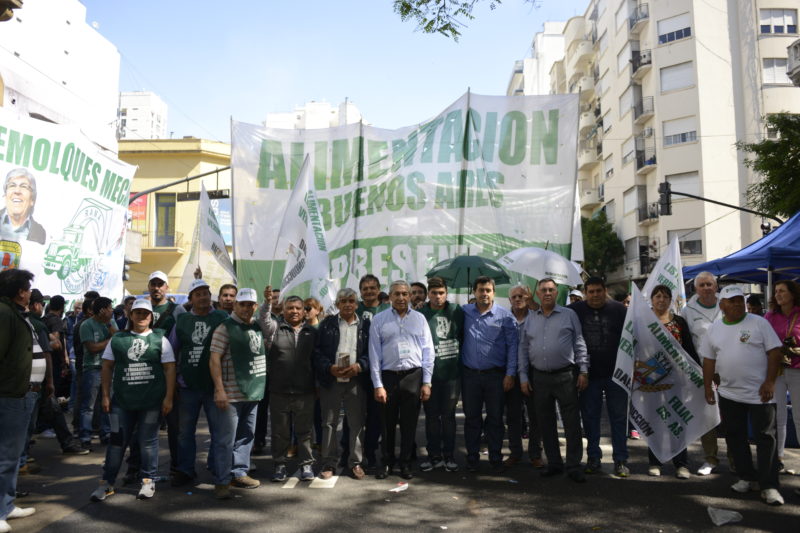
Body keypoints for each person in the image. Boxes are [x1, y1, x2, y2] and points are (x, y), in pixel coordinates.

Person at [701, 286, 784, 506]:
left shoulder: (759, 323)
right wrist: (707, 387)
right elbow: (709, 360)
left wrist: (770, 381)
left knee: (766, 438)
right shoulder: (715, 328)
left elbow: (775, 352)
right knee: (735, 436)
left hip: (760, 394)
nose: (737, 304)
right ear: (722, 305)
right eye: (732, 300)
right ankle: (746, 477)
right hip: (729, 393)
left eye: (740, 300)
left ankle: (769, 485)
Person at [89, 299, 176, 502]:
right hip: (122, 402)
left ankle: (148, 480)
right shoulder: (118, 339)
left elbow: (170, 368)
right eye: (138, 313)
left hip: (151, 401)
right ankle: (107, 483)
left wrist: (168, 397)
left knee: (148, 442)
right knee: (117, 442)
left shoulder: (160, 339)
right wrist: (105, 395)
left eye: (146, 313)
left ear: (151, 317)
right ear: (131, 315)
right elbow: (107, 366)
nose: (142, 317)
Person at [519, 278, 588, 483]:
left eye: (551, 290)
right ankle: (555, 463)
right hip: (539, 377)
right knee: (545, 423)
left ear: (557, 293)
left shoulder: (569, 314)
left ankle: (574, 465)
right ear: (537, 295)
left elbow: (579, 342)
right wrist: (523, 376)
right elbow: (523, 350)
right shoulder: (530, 319)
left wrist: (584, 370)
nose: (547, 293)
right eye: (543, 290)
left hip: (566, 376)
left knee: (571, 423)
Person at [369, 280, 434, 480]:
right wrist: (378, 384)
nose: (401, 298)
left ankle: (406, 463)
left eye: (405, 294)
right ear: (389, 296)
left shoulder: (420, 319)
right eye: (396, 294)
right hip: (388, 378)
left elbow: (428, 351)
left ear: (410, 296)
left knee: (409, 424)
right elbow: (374, 354)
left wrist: (426, 381)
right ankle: (386, 462)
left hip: (413, 376)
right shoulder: (379, 320)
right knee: (387, 424)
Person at [209, 288, 268, 499]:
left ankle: (239, 473)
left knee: (246, 437)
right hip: (231, 395)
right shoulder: (224, 328)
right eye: (242, 304)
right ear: (235, 305)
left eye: (250, 304)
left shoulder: (256, 327)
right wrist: (219, 389)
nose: (246, 308)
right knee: (225, 440)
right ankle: (222, 481)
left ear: (255, 306)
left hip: (252, 393)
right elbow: (214, 359)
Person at [569, 277, 629, 477]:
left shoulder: (620, 310)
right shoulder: (576, 311)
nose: (595, 295)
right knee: (590, 418)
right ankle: (593, 458)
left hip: (616, 375)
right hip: (588, 376)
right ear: (585, 293)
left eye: (598, 291)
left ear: (605, 291)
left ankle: (621, 460)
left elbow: (632, 338)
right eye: (591, 291)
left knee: (619, 419)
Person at [170, 279, 228, 487]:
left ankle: (216, 467)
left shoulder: (222, 317)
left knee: (218, 431)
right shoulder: (182, 321)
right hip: (187, 386)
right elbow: (172, 351)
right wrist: (174, 380)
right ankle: (185, 470)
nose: (203, 297)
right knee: (185, 432)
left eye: (206, 293)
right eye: (198, 294)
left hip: (215, 386)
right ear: (191, 299)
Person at [461, 276, 518, 473]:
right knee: (472, 419)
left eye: (487, 290)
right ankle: (472, 457)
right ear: (474, 292)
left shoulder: (505, 316)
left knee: (495, 418)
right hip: (470, 376)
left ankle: (495, 457)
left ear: (494, 292)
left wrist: (510, 374)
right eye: (480, 290)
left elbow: (513, 347)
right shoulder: (464, 312)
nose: (484, 293)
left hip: (496, 376)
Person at [260, 293, 318, 483]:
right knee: (280, 431)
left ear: (304, 312)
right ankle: (279, 464)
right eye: (290, 308)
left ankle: (306, 464)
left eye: (297, 308)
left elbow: (316, 361)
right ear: (283, 310)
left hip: (305, 391)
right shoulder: (275, 328)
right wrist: (267, 303)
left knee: (305, 431)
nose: (294, 311)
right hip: (279, 390)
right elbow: (263, 319)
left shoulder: (311, 332)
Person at [313, 288, 370, 480]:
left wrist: (360, 366)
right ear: (337, 304)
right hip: (332, 380)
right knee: (329, 423)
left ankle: (355, 463)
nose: (347, 304)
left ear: (357, 304)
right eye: (343, 301)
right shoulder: (327, 324)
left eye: (351, 301)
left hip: (356, 380)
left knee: (356, 423)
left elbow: (372, 353)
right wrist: (329, 368)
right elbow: (317, 352)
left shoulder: (366, 325)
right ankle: (329, 463)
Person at [647, 284, 698, 479]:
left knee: (677, 421)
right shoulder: (644, 320)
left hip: (677, 380)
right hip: (651, 380)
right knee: (654, 421)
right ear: (651, 299)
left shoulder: (679, 322)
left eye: (665, 297)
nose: (661, 300)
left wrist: (700, 373)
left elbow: (690, 350)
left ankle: (681, 464)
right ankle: (655, 461)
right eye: (657, 296)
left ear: (670, 300)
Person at [0, 269, 38, 531]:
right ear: (20, 291)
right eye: (27, 288)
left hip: (20, 393)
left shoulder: (15, 313)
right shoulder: (4, 314)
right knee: (5, 456)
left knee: (12, 456)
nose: (29, 293)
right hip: (9, 394)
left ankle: (7, 504)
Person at [419, 277, 463, 472]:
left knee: (448, 417)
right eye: (434, 293)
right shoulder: (421, 313)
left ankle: (449, 455)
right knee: (431, 418)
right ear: (428, 294)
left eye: (441, 293)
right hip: (429, 376)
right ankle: (433, 455)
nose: (438, 297)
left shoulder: (456, 311)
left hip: (452, 375)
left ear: (446, 293)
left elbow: (463, 336)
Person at [683, 272, 725, 476]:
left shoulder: (728, 304)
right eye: (702, 285)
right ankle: (710, 458)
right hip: (702, 369)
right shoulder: (688, 310)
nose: (706, 288)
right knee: (707, 416)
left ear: (716, 287)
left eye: (710, 284)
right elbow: (683, 340)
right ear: (696, 288)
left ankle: (737, 460)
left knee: (733, 416)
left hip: (729, 368)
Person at [504, 284, 543, 469]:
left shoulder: (537, 317)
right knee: (513, 415)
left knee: (535, 415)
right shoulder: (504, 318)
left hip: (533, 373)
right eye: (515, 297)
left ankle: (535, 453)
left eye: (522, 296)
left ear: (528, 298)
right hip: (511, 373)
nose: (518, 299)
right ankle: (515, 452)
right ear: (510, 300)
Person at [765, 280, 800, 475]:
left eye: (782, 291)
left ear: (792, 294)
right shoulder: (770, 316)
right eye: (776, 291)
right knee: (777, 416)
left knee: (799, 417)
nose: (778, 294)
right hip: (775, 371)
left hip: (797, 370)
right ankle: (777, 458)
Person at [356, 274, 389, 468]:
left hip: (382, 369)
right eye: (365, 288)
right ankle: (350, 453)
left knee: (377, 415)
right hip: (359, 369)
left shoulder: (387, 309)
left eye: (372, 288)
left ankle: (370, 452)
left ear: (378, 289)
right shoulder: (355, 308)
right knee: (356, 415)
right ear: (360, 292)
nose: (369, 291)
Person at [78, 297, 116, 447]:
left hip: (109, 369)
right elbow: (92, 348)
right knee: (89, 405)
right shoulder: (86, 325)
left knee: (108, 403)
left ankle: (106, 433)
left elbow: (118, 340)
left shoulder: (110, 323)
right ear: (102, 310)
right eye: (109, 308)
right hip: (92, 369)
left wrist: (108, 325)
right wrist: (109, 341)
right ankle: (85, 436)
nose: (112, 311)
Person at [0, 168, 46, 244]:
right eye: (12, 185)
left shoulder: (39, 232)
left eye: (24, 186)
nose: (17, 191)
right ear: (5, 196)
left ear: (32, 200)